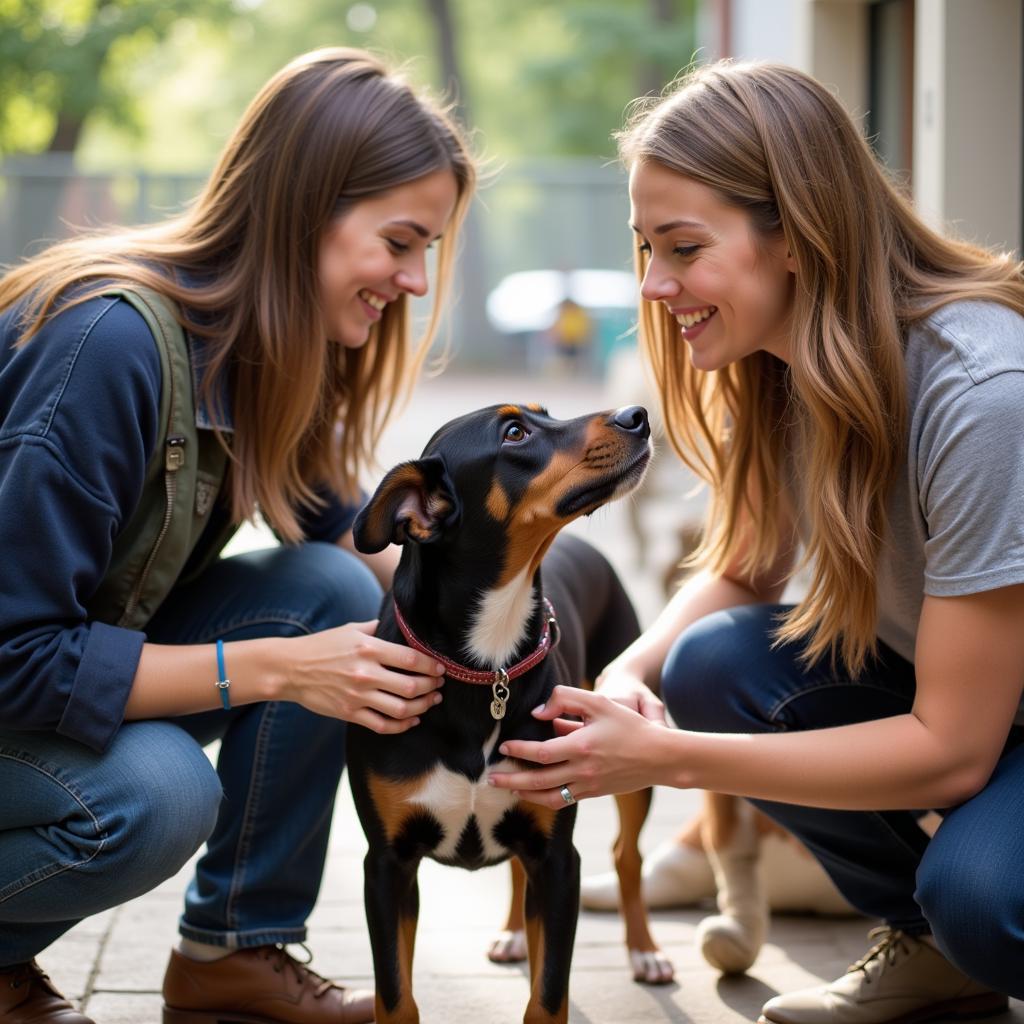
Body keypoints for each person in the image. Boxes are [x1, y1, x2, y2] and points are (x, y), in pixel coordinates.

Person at [489, 58, 1024, 1020]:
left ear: (796, 233)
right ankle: (938, 953)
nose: (655, 285)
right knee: (712, 662)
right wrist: (630, 674)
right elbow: (744, 567)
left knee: (991, 900)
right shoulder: (787, 361)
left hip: (980, 731)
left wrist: (672, 760)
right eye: (645, 246)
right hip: (983, 717)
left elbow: (952, 753)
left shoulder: (981, 394)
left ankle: (963, 929)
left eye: (683, 248)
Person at [0, 48, 475, 1024]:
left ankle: (233, 949)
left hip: (45, 680)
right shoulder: (110, 345)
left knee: (335, 595)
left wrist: (496, 653)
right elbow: (12, 654)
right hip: (15, 673)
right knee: (156, 795)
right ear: (306, 208)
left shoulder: (257, 345)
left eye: (427, 249)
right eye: (399, 240)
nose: (416, 280)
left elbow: (347, 534)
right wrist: (273, 670)